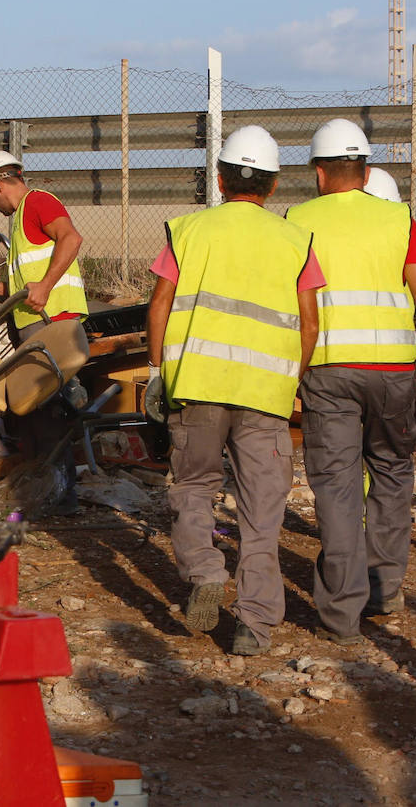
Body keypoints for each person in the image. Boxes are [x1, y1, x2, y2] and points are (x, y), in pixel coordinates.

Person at [285, 118, 416, 646]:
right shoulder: (397, 219)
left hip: (327, 370)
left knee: (337, 487)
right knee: (390, 473)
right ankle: (385, 590)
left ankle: (341, 614)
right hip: (392, 371)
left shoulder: (298, 220)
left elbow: (290, 298)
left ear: (319, 172)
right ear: (366, 171)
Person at [144, 126, 322, 655]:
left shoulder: (188, 231)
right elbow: (309, 325)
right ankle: (254, 623)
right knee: (261, 510)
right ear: (271, 186)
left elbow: (158, 306)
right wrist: (291, 379)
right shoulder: (296, 240)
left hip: (196, 386)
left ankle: (203, 571)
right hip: (265, 394)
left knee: (193, 486)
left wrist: (159, 371)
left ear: (219, 179)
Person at [0, 150, 90, 508]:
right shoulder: (24, 216)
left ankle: (61, 496)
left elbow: (71, 238)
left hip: (51, 324)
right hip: (38, 323)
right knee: (38, 412)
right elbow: (33, 278)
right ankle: (49, 493)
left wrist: (46, 286)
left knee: (50, 413)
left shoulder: (37, 202)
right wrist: (6, 289)